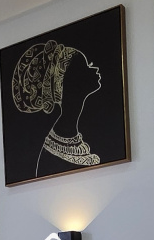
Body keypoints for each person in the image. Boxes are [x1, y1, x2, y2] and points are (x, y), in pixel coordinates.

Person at [10, 39, 102, 178]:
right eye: (86, 66)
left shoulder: (70, 135)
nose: (93, 67)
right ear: (69, 83)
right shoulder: (51, 157)